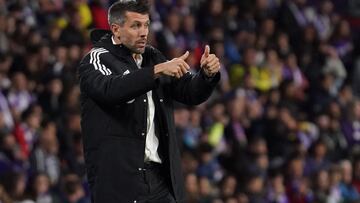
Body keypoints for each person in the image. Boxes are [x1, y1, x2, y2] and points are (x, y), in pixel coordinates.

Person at [77, 0, 221, 202]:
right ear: (116, 30)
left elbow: (190, 93)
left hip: (158, 179)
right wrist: (156, 72)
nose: (144, 32)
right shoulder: (97, 59)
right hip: (120, 181)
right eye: (136, 25)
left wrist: (207, 76)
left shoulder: (153, 57)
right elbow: (111, 90)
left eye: (146, 25)